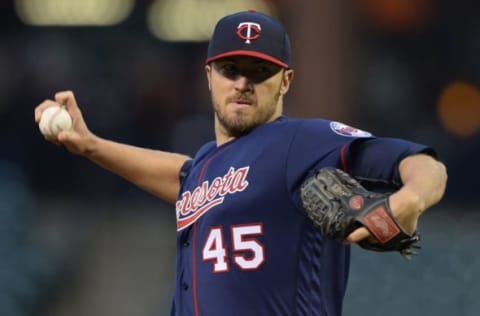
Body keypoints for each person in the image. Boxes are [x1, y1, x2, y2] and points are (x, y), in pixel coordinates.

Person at [34, 10, 447, 316]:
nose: (243, 83)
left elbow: (421, 163)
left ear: (285, 81)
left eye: (259, 71)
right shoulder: (205, 168)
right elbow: (183, 178)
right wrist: (90, 146)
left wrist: (408, 201)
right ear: (209, 75)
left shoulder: (299, 141)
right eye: (231, 69)